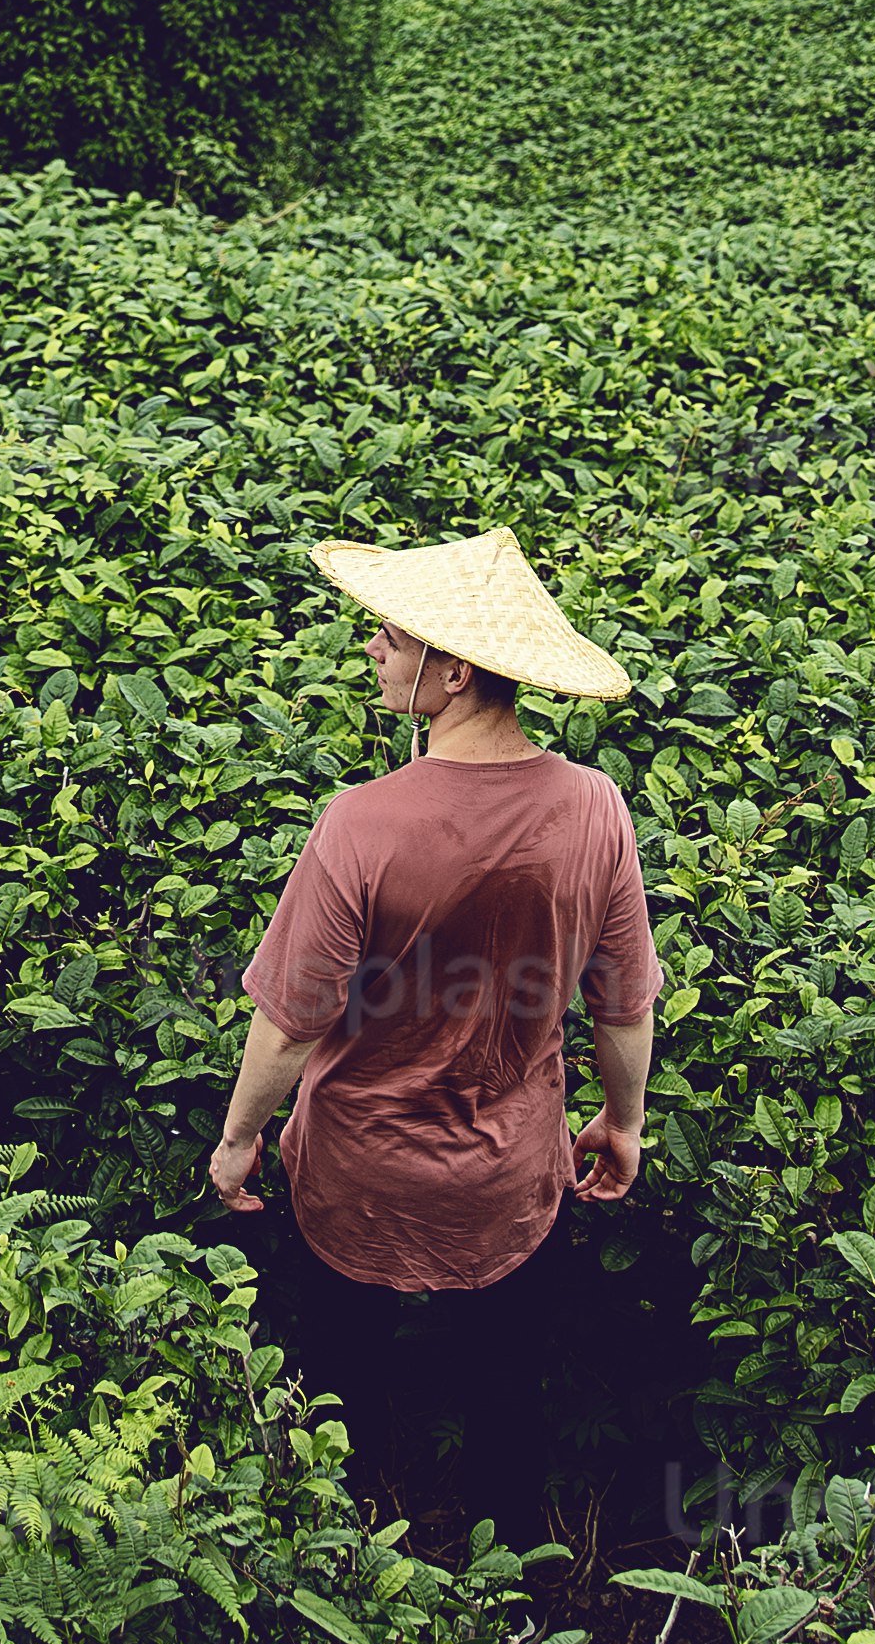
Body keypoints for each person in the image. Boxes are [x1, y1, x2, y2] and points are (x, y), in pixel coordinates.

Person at [209, 526, 659, 1554]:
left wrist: (237, 1142)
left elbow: (288, 1024)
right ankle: (503, 1582)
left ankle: (352, 1560)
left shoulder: (359, 824)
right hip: (510, 1173)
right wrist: (621, 1121)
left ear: (452, 672)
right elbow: (622, 1004)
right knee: (506, 1396)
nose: (370, 648)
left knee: (346, 1393)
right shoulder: (595, 808)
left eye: (389, 635)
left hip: (356, 1169)